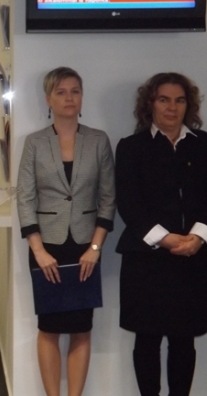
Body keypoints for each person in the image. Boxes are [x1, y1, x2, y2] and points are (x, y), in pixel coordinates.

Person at [17, 67, 115, 396]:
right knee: (49, 327)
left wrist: (95, 249)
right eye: (61, 92)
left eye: (75, 91)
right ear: (48, 99)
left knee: (81, 328)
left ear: (82, 97)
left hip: (87, 248)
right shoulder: (34, 142)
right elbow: (25, 198)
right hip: (47, 248)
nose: (69, 98)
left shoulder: (99, 140)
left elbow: (108, 198)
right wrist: (38, 251)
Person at [116, 72, 207, 396]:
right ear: (150, 104)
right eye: (164, 100)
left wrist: (198, 237)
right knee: (147, 339)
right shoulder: (131, 148)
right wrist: (165, 239)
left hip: (194, 257)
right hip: (147, 259)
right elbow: (129, 203)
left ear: (188, 105)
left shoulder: (203, 144)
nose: (172, 107)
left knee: (184, 340)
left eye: (179, 100)